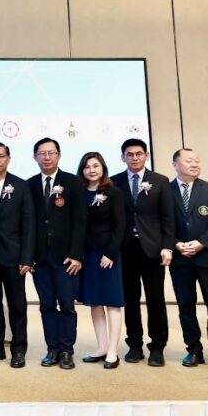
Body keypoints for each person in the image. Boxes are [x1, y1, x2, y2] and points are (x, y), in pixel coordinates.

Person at [110, 138, 175, 367]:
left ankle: (157, 347)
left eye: (139, 153)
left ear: (146, 155)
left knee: (155, 298)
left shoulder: (160, 181)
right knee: (130, 299)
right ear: (123, 157)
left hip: (153, 248)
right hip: (125, 249)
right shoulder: (114, 182)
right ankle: (134, 345)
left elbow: (168, 217)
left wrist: (167, 246)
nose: (135, 158)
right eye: (130, 154)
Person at [27, 137, 86, 370]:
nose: (47, 157)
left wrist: (77, 255)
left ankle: (67, 350)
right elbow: (27, 224)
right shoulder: (29, 184)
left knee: (67, 305)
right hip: (40, 258)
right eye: (42, 153)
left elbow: (80, 221)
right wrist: (28, 257)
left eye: (51, 153)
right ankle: (52, 349)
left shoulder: (73, 182)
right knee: (47, 305)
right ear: (35, 157)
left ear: (59, 155)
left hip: (66, 258)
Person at [170, 148, 208, 371]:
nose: (194, 164)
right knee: (186, 306)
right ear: (175, 165)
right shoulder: (166, 191)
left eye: (197, 160)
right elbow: (161, 222)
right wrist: (176, 244)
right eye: (188, 161)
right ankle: (193, 349)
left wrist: (201, 243)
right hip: (180, 259)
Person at [0, 141, 35, 368]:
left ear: (8, 159)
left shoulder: (21, 186)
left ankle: (19, 349)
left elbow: (29, 225)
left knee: (17, 305)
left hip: (14, 257)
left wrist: (27, 258)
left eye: (1, 156)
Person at [76, 152, 127, 369]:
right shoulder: (78, 192)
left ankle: (113, 351)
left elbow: (120, 225)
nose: (92, 170)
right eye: (87, 167)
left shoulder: (113, 192)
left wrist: (111, 253)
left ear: (103, 168)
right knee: (95, 302)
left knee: (112, 302)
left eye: (95, 166)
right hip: (87, 255)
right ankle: (102, 347)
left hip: (108, 255)